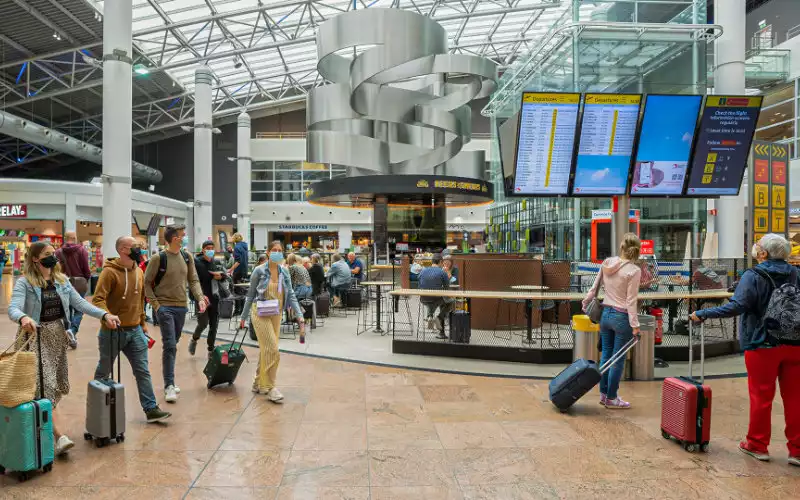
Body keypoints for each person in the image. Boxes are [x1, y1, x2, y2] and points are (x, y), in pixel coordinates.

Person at [690, 234, 800, 466]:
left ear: (763, 253)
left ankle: (757, 445)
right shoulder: (796, 273)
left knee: (761, 396)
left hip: (762, 344)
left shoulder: (754, 275)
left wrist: (703, 313)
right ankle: (797, 451)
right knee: (795, 398)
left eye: (758, 247)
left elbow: (738, 306)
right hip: (795, 345)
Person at [8, 242, 120, 455]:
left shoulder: (62, 281)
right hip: (35, 339)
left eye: (53, 254)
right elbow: (13, 307)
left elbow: (80, 304)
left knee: (55, 385)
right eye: (47, 254)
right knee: (46, 385)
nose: (53, 258)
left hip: (57, 338)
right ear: (34, 258)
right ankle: (59, 436)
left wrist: (104, 315)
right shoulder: (25, 283)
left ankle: (43, 426)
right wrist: (23, 317)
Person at [92, 236, 171, 423]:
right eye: (135, 247)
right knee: (103, 372)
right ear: (123, 250)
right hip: (112, 331)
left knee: (142, 371)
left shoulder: (139, 272)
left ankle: (151, 409)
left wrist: (143, 323)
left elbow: (140, 300)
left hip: (135, 330)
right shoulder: (109, 273)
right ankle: (97, 410)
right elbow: (98, 299)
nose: (140, 249)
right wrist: (107, 316)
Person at [144, 224, 207, 404]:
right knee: (170, 345)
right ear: (174, 238)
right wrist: (157, 306)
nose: (185, 237)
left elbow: (193, 280)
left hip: (181, 307)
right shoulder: (158, 258)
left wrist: (200, 298)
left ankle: (170, 380)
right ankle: (169, 385)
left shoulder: (187, 257)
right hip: (165, 308)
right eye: (183, 235)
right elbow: (147, 283)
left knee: (174, 342)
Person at [582, 233, 642, 410]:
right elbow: (631, 301)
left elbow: (594, 288)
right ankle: (612, 397)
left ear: (622, 247)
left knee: (606, 355)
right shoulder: (634, 270)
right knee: (618, 359)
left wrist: (585, 303)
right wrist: (636, 326)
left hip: (605, 315)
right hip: (621, 318)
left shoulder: (607, 263)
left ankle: (603, 394)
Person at [239, 241, 305, 401]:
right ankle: (270, 387)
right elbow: (250, 295)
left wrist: (298, 314)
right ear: (268, 252)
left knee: (266, 350)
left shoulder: (284, 272)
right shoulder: (259, 271)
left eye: (280, 250)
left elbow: (291, 294)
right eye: (274, 250)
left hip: (276, 313)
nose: (277, 252)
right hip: (260, 313)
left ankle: (257, 382)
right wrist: (243, 317)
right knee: (273, 349)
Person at [55, 231, 92, 349]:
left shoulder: (58, 252)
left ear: (65, 239)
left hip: (63, 282)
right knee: (79, 308)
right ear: (75, 238)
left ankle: (71, 336)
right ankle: (72, 331)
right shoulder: (82, 250)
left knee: (67, 309)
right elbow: (86, 268)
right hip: (79, 282)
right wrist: (85, 279)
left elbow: (56, 270)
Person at [189, 241, 225, 359]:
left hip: (214, 297)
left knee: (214, 324)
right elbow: (193, 280)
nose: (210, 250)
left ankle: (210, 349)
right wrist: (197, 296)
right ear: (203, 250)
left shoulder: (216, 262)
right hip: (202, 298)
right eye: (208, 248)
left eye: (212, 248)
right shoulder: (197, 262)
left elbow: (225, 274)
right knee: (203, 323)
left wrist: (221, 276)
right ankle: (194, 338)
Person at [418, 254, 453, 339]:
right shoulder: (442, 272)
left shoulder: (422, 271)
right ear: (441, 262)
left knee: (431, 301)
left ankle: (430, 316)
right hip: (436, 299)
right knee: (450, 301)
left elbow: (419, 285)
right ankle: (439, 317)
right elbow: (446, 289)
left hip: (423, 299)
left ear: (431, 261)